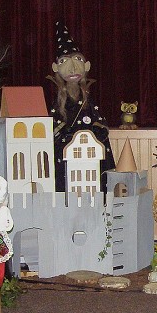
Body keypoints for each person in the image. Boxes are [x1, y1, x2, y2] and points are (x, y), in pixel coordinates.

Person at [47, 20, 114, 191]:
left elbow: (100, 123)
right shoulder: (55, 100)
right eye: (64, 62)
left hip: (89, 150)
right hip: (65, 152)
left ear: (86, 66)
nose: (72, 69)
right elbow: (52, 126)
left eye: (78, 60)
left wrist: (93, 134)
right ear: (56, 67)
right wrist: (67, 136)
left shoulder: (89, 99)